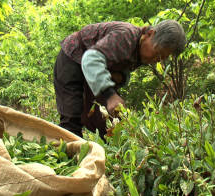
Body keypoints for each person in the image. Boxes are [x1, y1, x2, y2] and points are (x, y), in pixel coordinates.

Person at [54, 20, 186, 138]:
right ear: (150, 34)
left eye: (162, 58)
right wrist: (110, 95)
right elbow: (91, 59)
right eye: (157, 53)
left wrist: (121, 77)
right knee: (71, 120)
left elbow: (121, 72)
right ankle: (66, 159)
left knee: (108, 123)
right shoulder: (126, 36)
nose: (157, 60)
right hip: (73, 58)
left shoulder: (141, 51)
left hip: (94, 71)